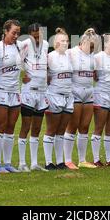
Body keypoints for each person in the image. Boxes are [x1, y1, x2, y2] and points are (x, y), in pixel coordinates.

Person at [0, 19, 22, 173]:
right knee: (0, 126)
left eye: (18, 33)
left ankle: (8, 163)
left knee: (11, 127)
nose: (16, 35)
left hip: (15, 92)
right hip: (0, 91)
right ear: (5, 31)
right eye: (13, 32)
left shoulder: (20, 47)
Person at [17, 23, 49, 172]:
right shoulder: (24, 44)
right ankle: (22, 163)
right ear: (29, 35)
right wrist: (24, 73)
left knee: (37, 128)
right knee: (25, 126)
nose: (37, 38)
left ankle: (34, 163)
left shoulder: (47, 44)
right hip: (29, 90)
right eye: (35, 36)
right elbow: (18, 61)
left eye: (39, 35)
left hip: (42, 91)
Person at [64, 28, 98, 169]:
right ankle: (67, 160)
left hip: (89, 92)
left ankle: (82, 160)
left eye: (93, 46)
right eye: (89, 45)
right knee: (72, 126)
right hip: (75, 92)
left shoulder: (93, 56)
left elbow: (94, 74)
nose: (91, 48)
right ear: (82, 42)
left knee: (84, 127)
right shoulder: (71, 53)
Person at [43, 28, 73, 170]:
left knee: (61, 130)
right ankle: (49, 162)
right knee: (51, 129)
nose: (65, 43)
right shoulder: (50, 56)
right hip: (54, 95)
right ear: (55, 43)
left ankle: (60, 162)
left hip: (68, 96)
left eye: (67, 41)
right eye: (62, 41)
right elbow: (45, 77)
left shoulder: (70, 56)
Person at [92, 33, 110, 167]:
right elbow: (94, 75)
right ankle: (96, 159)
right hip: (101, 94)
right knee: (99, 127)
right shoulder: (98, 57)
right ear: (105, 44)